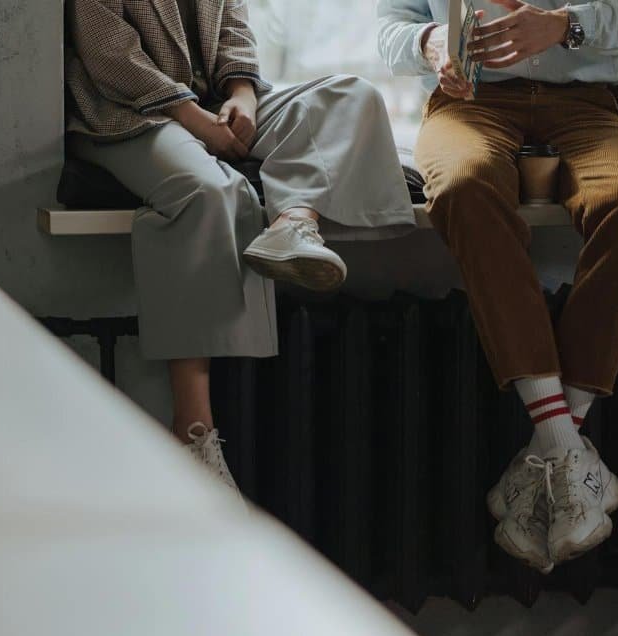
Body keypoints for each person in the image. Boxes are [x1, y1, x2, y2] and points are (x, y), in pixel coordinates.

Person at [377, 0, 618, 571]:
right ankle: (569, 452)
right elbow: (386, 30)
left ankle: (549, 448)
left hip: (588, 105)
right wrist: (429, 45)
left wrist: (566, 25)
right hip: (468, 105)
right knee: (464, 187)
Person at [66, 0, 416, 497]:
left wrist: (244, 95)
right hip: (129, 114)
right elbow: (109, 56)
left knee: (351, 96)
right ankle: (194, 434)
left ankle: (294, 224)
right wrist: (192, 117)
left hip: (213, 101)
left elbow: (232, 28)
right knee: (213, 192)